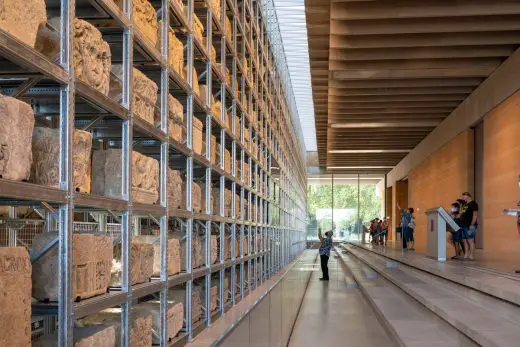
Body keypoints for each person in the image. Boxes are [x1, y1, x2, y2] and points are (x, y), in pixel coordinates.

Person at [460, 192, 479, 260]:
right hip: (463, 225)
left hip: (469, 225)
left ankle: (471, 255)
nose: (462, 198)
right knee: (465, 240)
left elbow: (475, 215)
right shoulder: (465, 204)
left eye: (463, 196)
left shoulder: (473, 203)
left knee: (470, 240)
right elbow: (463, 214)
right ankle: (466, 253)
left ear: (467, 196)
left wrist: (472, 224)